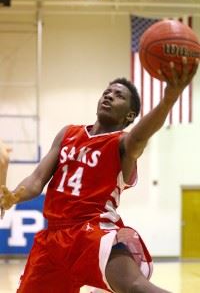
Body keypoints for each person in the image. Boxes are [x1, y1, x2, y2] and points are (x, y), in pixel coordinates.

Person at [0, 57, 198, 293]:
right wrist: (12, 196)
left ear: (129, 116)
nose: (109, 96)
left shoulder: (123, 143)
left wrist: (169, 99)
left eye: (119, 96)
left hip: (92, 231)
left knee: (135, 287)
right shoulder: (68, 133)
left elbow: (139, 138)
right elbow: (36, 180)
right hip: (52, 238)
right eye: (107, 92)